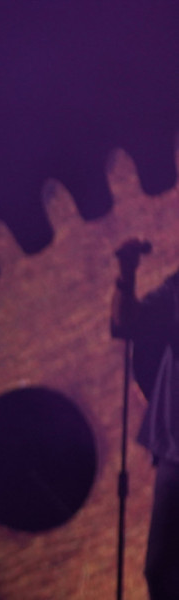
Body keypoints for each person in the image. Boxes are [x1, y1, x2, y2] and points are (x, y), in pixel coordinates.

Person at [111, 237, 179, 600]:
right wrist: (126, 272)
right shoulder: (176, 289)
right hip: (176, 451)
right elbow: (126, 323)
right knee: (161, 571)